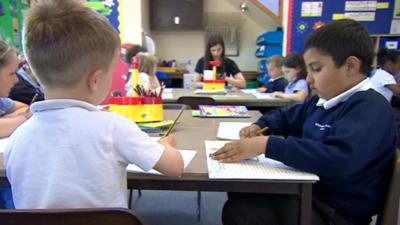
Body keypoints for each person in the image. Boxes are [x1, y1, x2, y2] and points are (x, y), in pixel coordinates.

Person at [212, 19, 397, 225]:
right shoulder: (323, 102)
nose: (309, 79)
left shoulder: (371, 108)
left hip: (335, 212)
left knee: (242, 211)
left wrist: (266, 145)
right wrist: (259, 125)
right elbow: (287, 116)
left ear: (350, 66)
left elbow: (338, 158)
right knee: (241, 192)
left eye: (316, 69)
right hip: (310, 192)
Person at [4, 0, 183, 209]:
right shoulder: (113, 127)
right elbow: (175, 167)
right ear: (95, 80)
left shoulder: (17, 138)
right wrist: (166, 144)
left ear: (34, 71)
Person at [0, 39, 31, 209]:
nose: (17, 81)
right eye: (11, 74)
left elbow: (24, 108)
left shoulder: (2, 102)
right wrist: (22, 119)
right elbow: (25, 115)